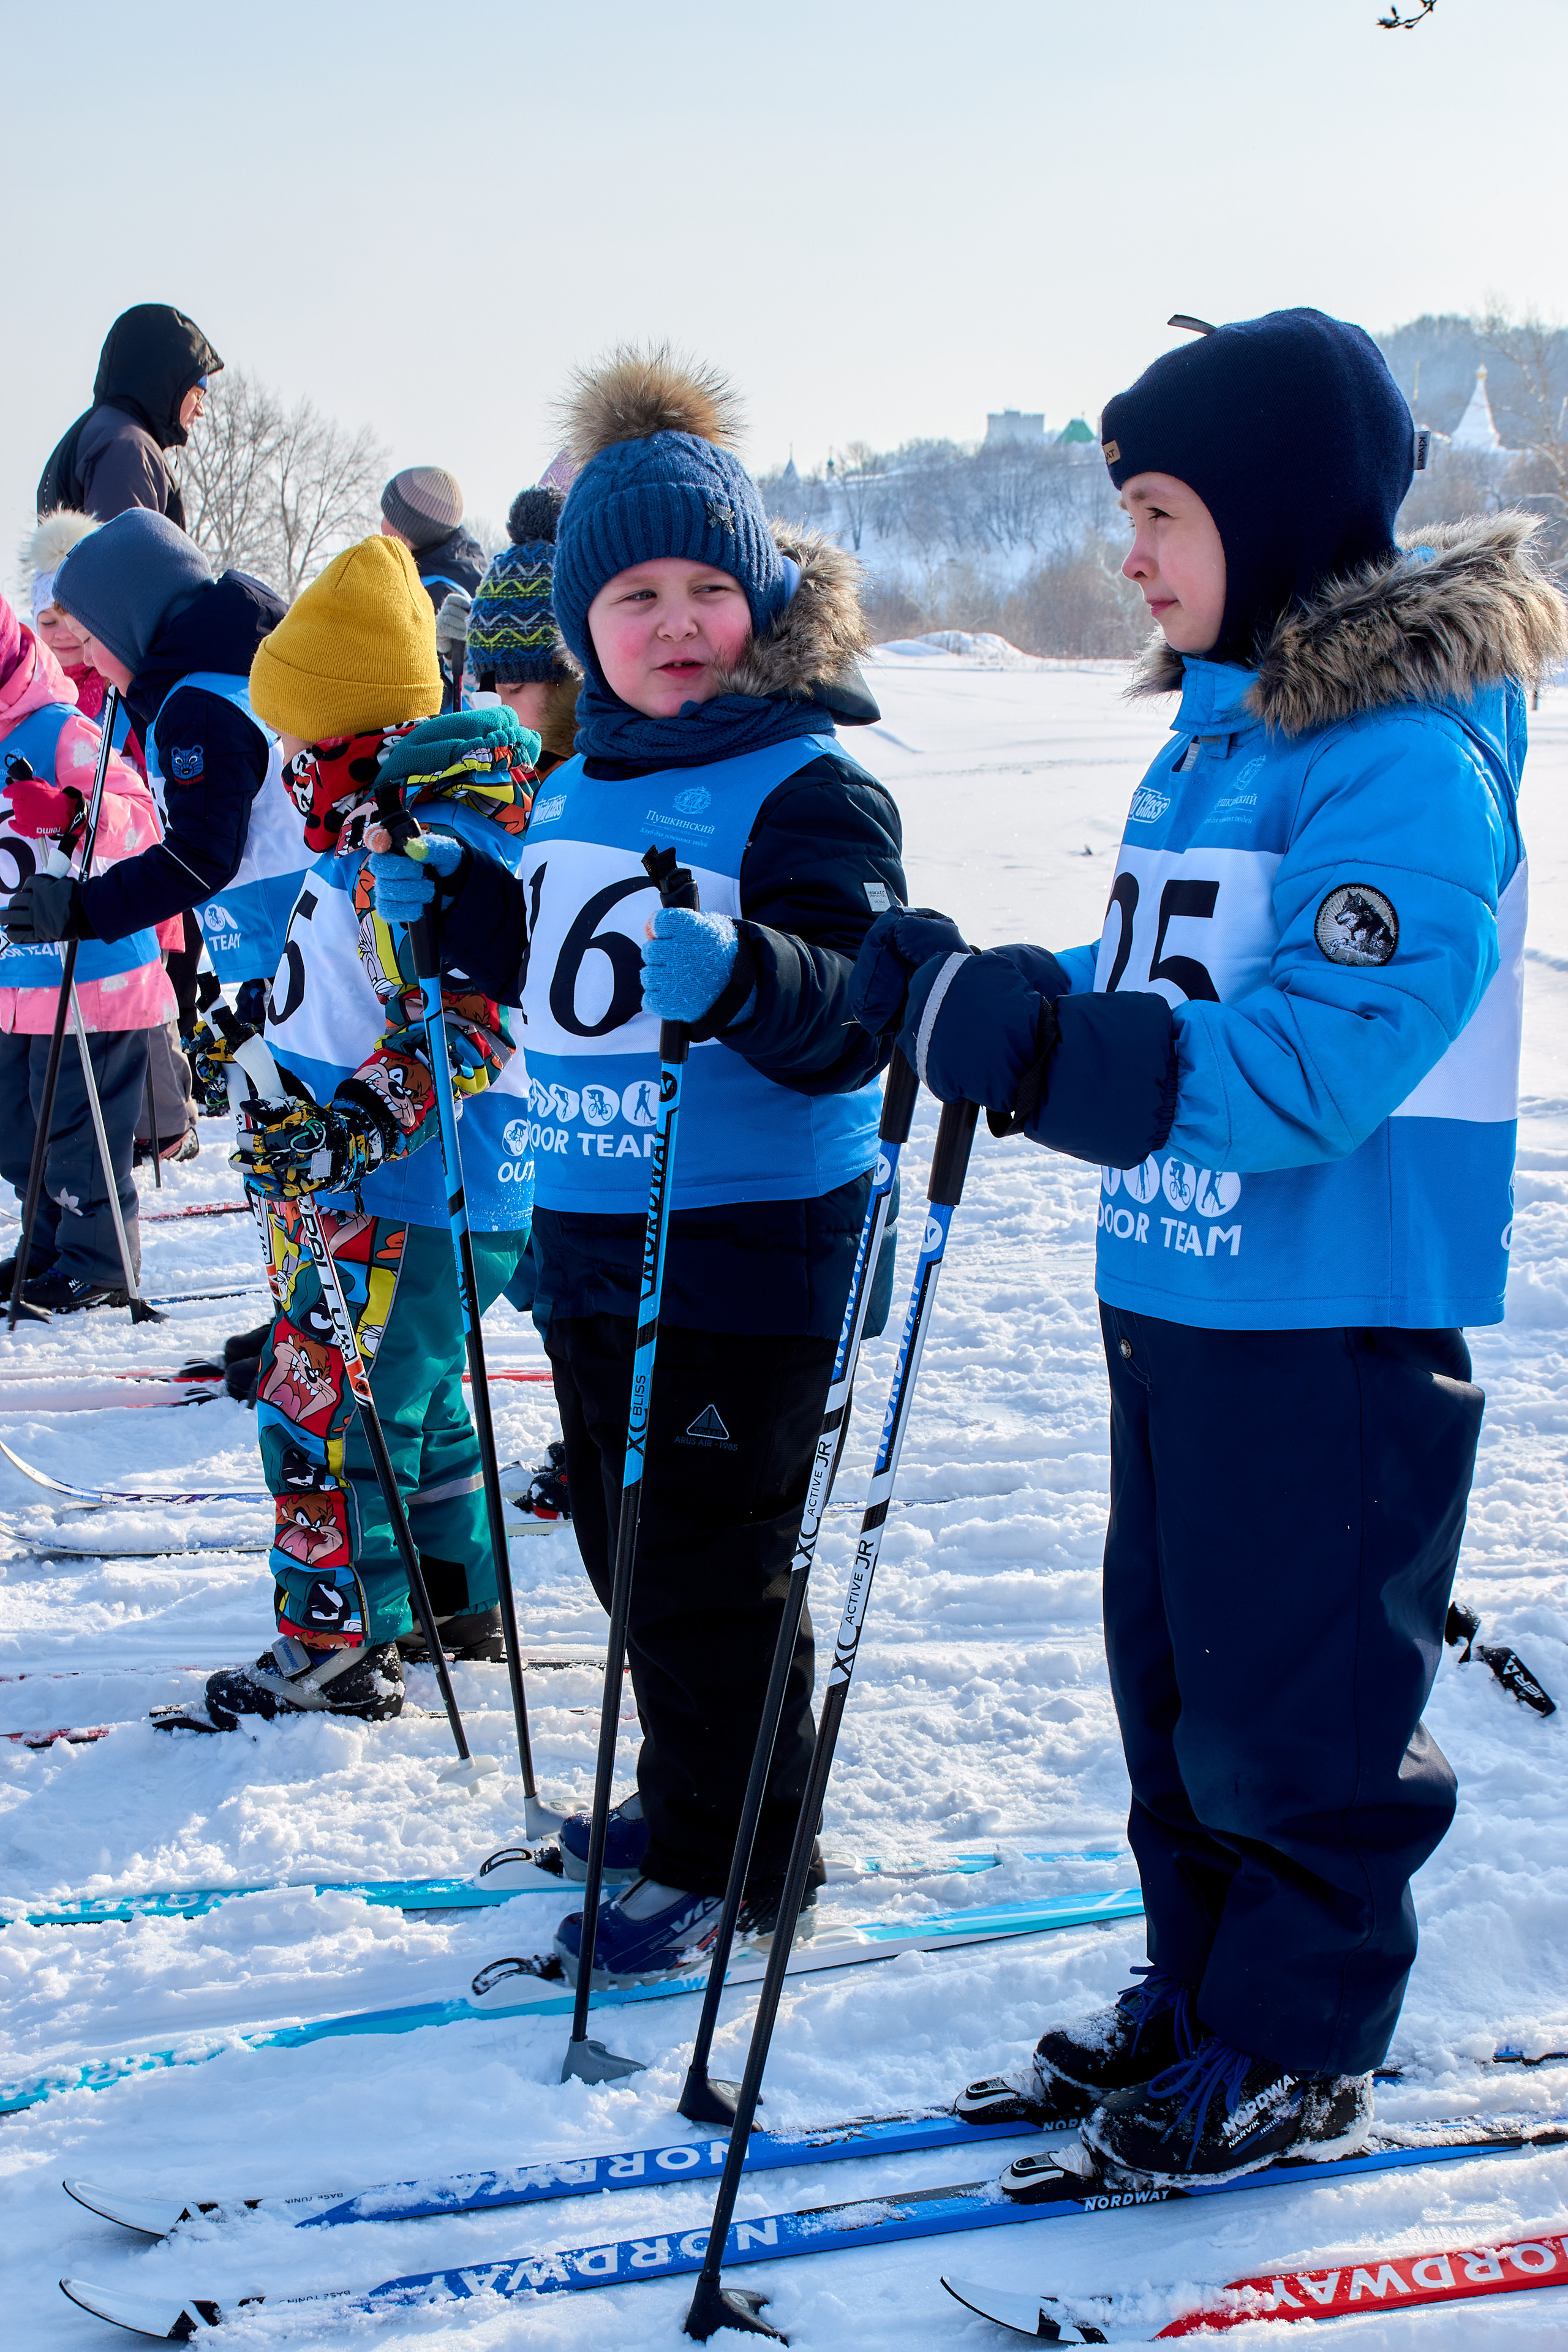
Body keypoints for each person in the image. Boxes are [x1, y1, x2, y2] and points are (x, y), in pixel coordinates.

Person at [851, 308, 1568, 2189]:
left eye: (1158, 511)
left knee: (1301, 1705)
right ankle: (1200, 1978)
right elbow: (1159, 990)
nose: (1129, 553)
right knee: (1174, 1684)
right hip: (1177, 1285)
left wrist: (1058, 1053)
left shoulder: (1400, 753)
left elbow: (1322, 1057)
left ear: (1273, 514)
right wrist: (1006, 999)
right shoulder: (1214, 735)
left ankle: (1297, 2030)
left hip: (1328, 1309)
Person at [368, 347, 905, 1982]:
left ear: (763, 599)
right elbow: (556, 963)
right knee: (622, 1536)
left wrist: (749, 974)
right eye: (633, 598)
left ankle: (735, 1858)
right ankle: (703, 1794)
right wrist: (460, 921)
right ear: (582, 628)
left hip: (748, 1246)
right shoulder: (581, 782)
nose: (674, 622)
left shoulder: (813, 789)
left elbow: (853, 1002)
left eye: (705, 589)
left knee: (704, 1564)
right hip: (599, 1234)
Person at [206, 533, 538, 1725]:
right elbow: (321, 965)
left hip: (403, 1198)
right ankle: (452, 1596)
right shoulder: (367, 831)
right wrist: (233, 1013)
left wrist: (347, 1130)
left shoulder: (424, 849)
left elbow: (474, 1027)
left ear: (351, 739)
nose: (289, 771)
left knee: (319, 1410)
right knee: (421, 1399)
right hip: (388, 1199)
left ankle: (334, 1646)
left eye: (301, 746)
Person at [6, 511, 307, 1107]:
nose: (87, 660)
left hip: (293, 952)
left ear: (129, 624)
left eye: (92, 640)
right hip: (282, 946)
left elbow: (201, 857)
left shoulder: (196, 706)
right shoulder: (212, 683)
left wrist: (82, 911)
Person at [0, 593, 176, 1310]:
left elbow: (140, 824)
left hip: (90, 979)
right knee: (20, 1131)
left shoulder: (57, 730)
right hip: (16, 982)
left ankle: (99, 1261)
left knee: (79, 1131)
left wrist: (72, 812)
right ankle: (44, 1245)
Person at [20, 514, 197, 1162]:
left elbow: (139, 783)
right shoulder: (41, 697)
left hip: (135, 859)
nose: (65, 637)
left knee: (145, 987)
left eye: (74, 623)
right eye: (48, 623)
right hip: (62, 881)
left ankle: (166, 1111)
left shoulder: (111, 687)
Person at [36, 304, 222, 527]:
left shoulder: (100, 432)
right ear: (166, 386)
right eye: (197, 394)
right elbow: (129, 559)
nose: (200, 410)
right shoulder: (128, 449)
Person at [467, 486, 581, 774]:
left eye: (515, 689)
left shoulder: (590, 775)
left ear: (570, 679)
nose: (497, 710)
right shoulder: (500, 766)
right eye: (487, 693)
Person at [379, 467, 486, 608]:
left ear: (409, 534)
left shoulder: (432, 598)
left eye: (387, 517)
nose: (381, 524)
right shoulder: (459, 576)